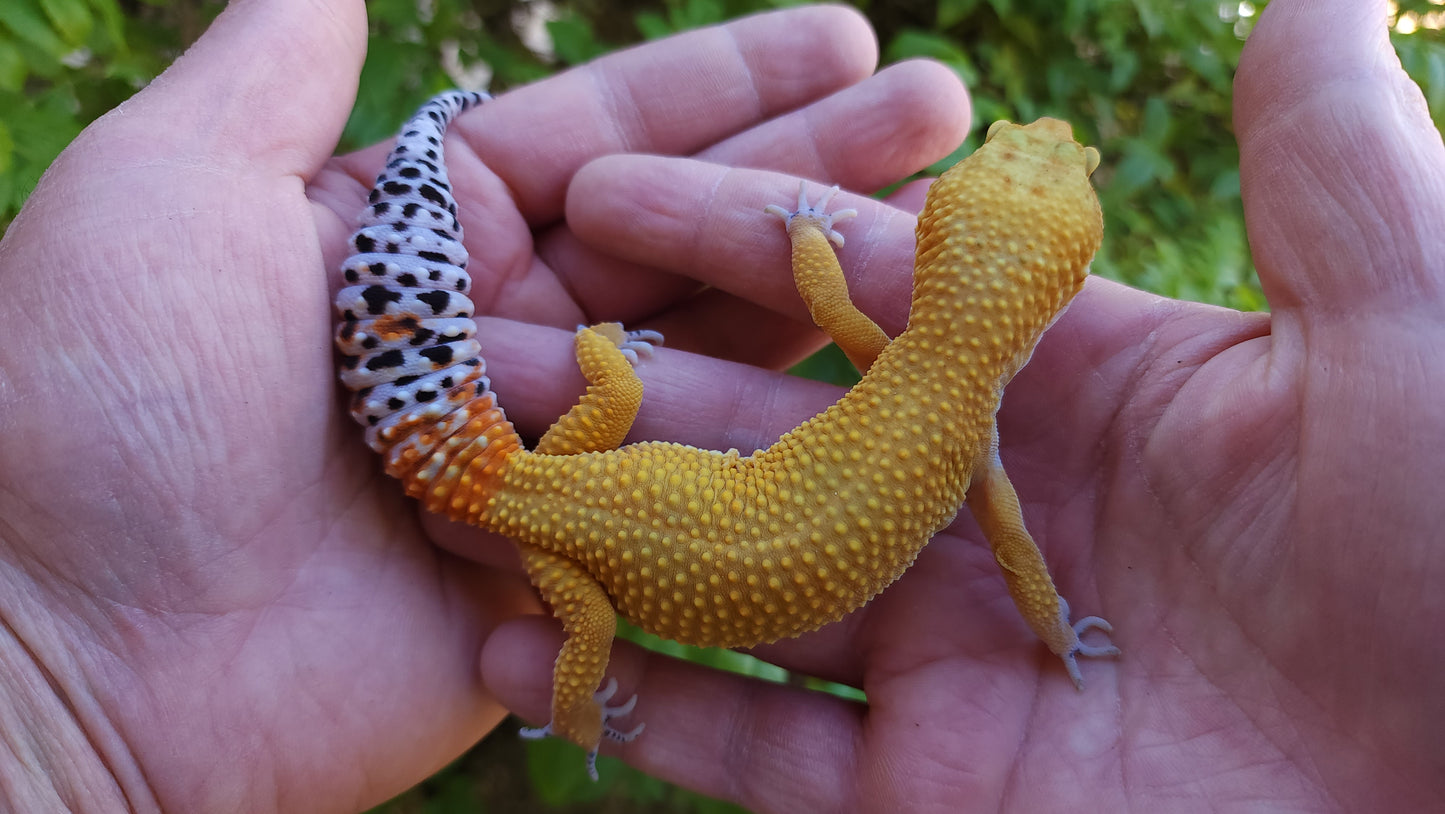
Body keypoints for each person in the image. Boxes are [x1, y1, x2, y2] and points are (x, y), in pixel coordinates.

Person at [0, 0, 1440, 810]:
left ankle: (569, 357)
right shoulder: (970, 435)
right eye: (1020, 151)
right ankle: (577, 691)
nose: (1036, 140)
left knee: (611, 390)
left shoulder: (890, 347)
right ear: (1051, 280)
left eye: (1031, 158)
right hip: (571, 539)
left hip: (576, 483)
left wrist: (801, 233)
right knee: (576, 635)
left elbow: (830, 297)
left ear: (942, 235)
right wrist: (1056, 629)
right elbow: (1012, 550)